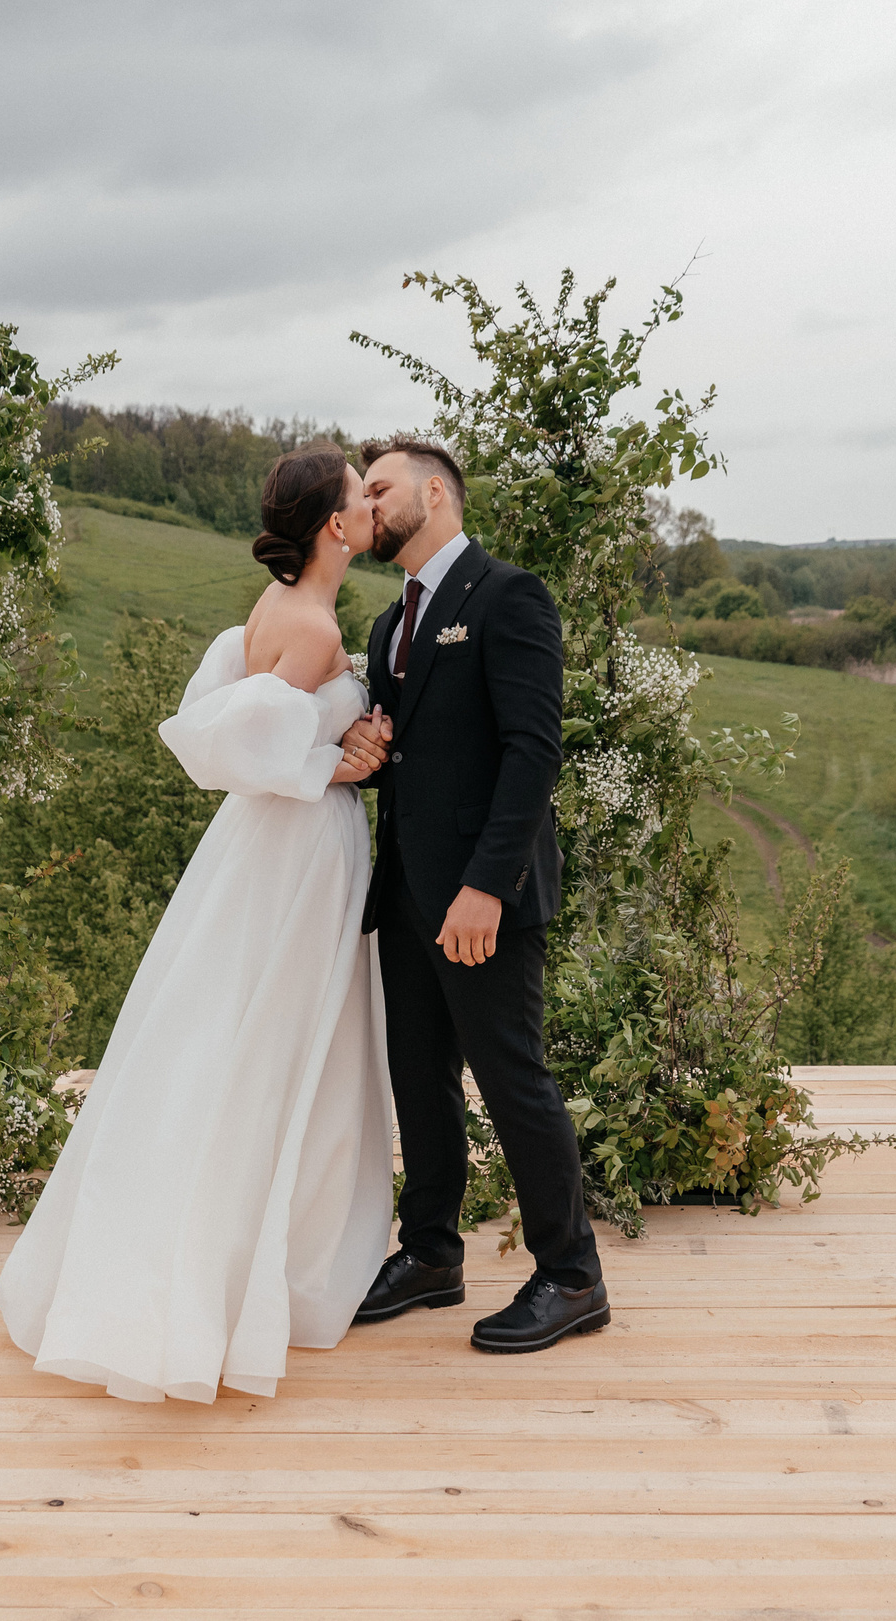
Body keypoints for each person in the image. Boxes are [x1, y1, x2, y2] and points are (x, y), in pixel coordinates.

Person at [0, 443, 398, 1404]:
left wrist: (336, 741)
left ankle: (248, 1240)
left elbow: (243, 719)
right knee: (272, 1042)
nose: (373, 511)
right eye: (360, 499)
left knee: (236, 1032)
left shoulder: (277, 611)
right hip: (296, 851)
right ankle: (241, 1265)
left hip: (269, 847)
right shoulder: (307, 628)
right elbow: (245, 741)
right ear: (334, 527)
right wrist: (335, 762)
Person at [342, 435, 609, 1354]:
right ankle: (431, 1255)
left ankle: (573, 1273)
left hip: (481, 898)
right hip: (406, 893)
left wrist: (487, 886)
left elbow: (533, 750)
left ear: (435, 495)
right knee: (419, 1079)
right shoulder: (388, 626)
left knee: (512, 1078)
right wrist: (366, 756)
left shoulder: (510, 597)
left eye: (378, 489)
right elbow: (411, 755)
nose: (367, 506)